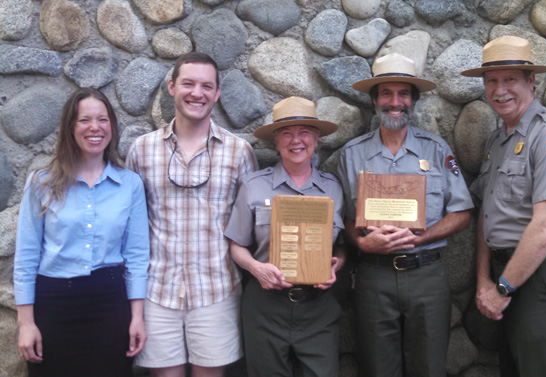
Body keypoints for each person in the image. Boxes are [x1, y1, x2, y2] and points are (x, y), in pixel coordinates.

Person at [335, 53, 474, 377]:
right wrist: (361, 243)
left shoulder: (437, 150)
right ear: (374, 100)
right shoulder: (352, 155)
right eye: (386, 93)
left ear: (413, 101)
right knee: (377, 369)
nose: (394, 102)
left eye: (403, 94)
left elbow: (463, 214)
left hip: (426, 275)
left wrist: (421, 236)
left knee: (428, 368)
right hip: (373, 277)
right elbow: (343, 218)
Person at [126, 52, 258, 377]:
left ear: (217, 94)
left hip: (216, 288)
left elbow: (250, 223)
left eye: (206, 86)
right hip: (158, 289)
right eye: (188, 83)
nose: (196, 93)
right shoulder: (141, 150)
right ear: (172, 87)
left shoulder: (239, 152)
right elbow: (131, 224)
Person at [463, 35, 546, 377]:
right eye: (492, 81)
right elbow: (488, 216)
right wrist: (484, 281)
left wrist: (503, 287)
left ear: (531, 82)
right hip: (510, 277)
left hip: (543, 276)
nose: (499, 90)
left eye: (509, 80)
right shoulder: (498, 139)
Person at [14, 87, 149, 377]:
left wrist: (137, 317)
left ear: (112, 126)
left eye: (102, 119)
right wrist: (26, 323)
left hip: (110, 304)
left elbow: (137, 257)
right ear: (70, 127)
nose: (95, 128)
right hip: (53, 305)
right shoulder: (41, 183)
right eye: (85, 120)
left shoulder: (130, 185)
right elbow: (26, 257)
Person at [225, 96, 345, 377]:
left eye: (304, 132)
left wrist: (336, 264)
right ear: (276, 141)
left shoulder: (333, 189)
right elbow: (236, 245)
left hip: (318, 308)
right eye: (287, 134)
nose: (296, 141)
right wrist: (257, 268)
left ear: (316, 138)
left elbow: (340, 248)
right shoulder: (254, 186)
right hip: (266, 307)